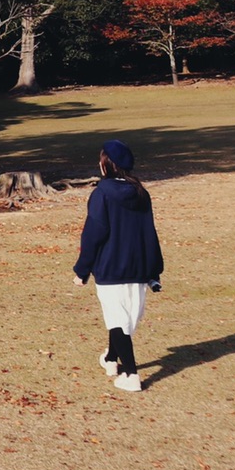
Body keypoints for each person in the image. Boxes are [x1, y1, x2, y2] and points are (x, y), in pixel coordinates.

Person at [74, 139, 164, 393]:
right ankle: (111, 359)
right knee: (122, 319)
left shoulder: (102, 194)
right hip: (138, 267)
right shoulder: (140, 192)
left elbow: (93, 234)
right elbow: (149, 232)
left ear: (106, 165)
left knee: (118, 320)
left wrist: (82, 270)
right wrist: (153, 269)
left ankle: (132, 375)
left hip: (111, 267)